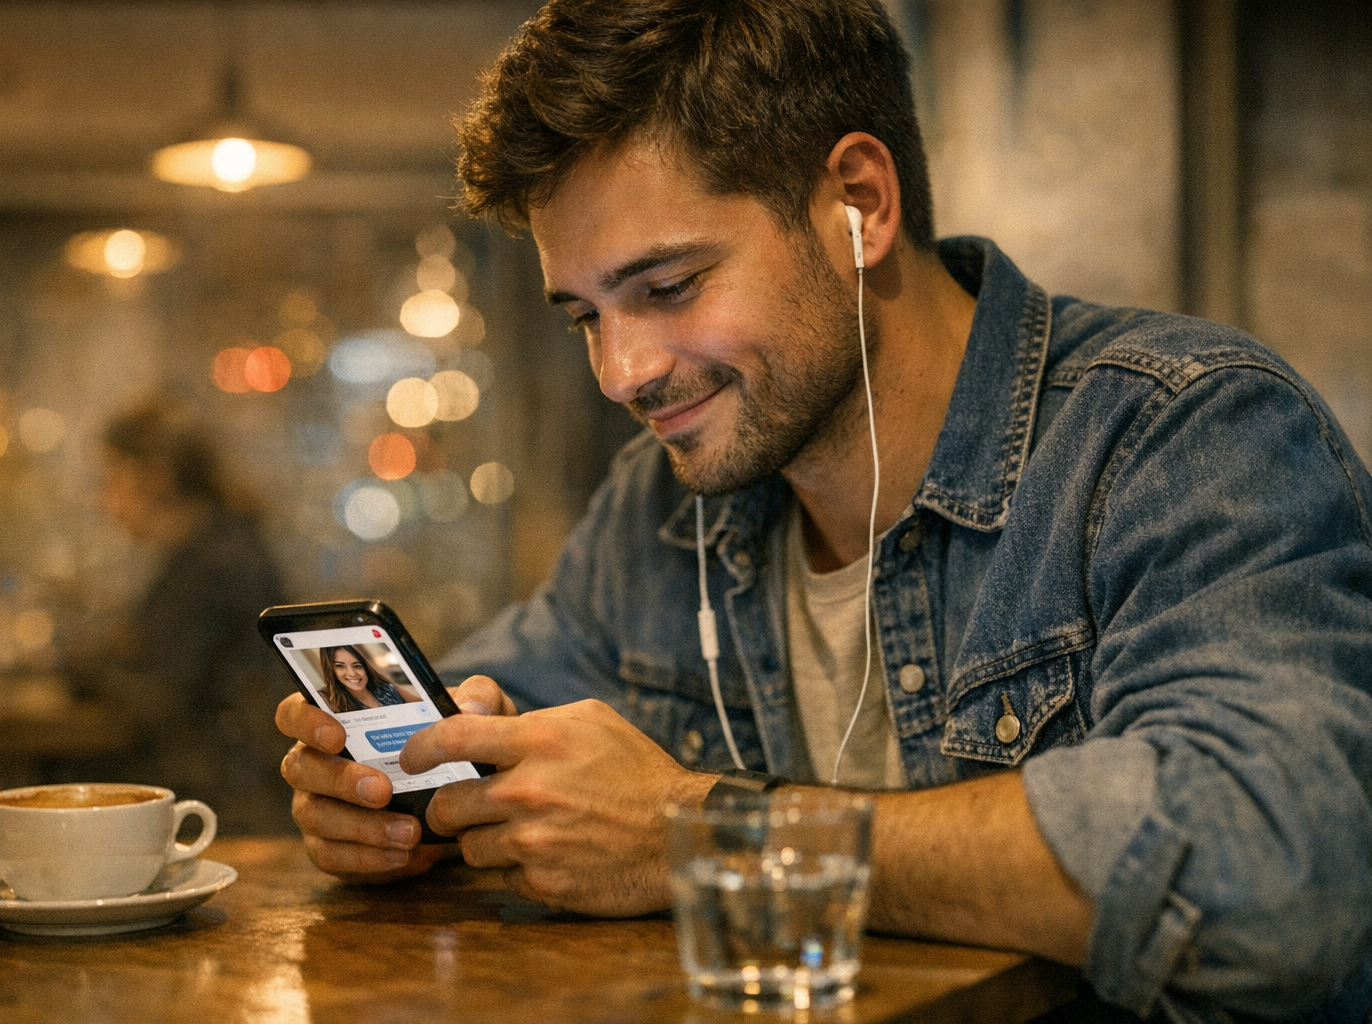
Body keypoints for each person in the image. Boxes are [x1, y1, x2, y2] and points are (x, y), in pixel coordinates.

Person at [275, 2, 1372, 1020]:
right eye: (584, 317)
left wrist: (696, 832)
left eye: (668, 287)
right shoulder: (658, 512)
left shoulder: (1181, 435)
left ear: (860, 203)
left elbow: (1275, 877)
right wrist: (402, 797)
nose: (622, 370)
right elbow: (498, 713)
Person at [64, 399, 293, 833]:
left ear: (155, 478)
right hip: (227, 788)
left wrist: (79, 665)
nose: (103, 500)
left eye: (111, 479)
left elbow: (160, 698)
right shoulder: (212, 549)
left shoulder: (215, 563)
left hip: (224, 806)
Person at [318, 645, 412, 712]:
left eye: (357, 666)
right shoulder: (326, 699)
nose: (352, 673)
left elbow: (424, 705)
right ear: (330, 670)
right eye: (340, 666)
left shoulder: (387, 689)